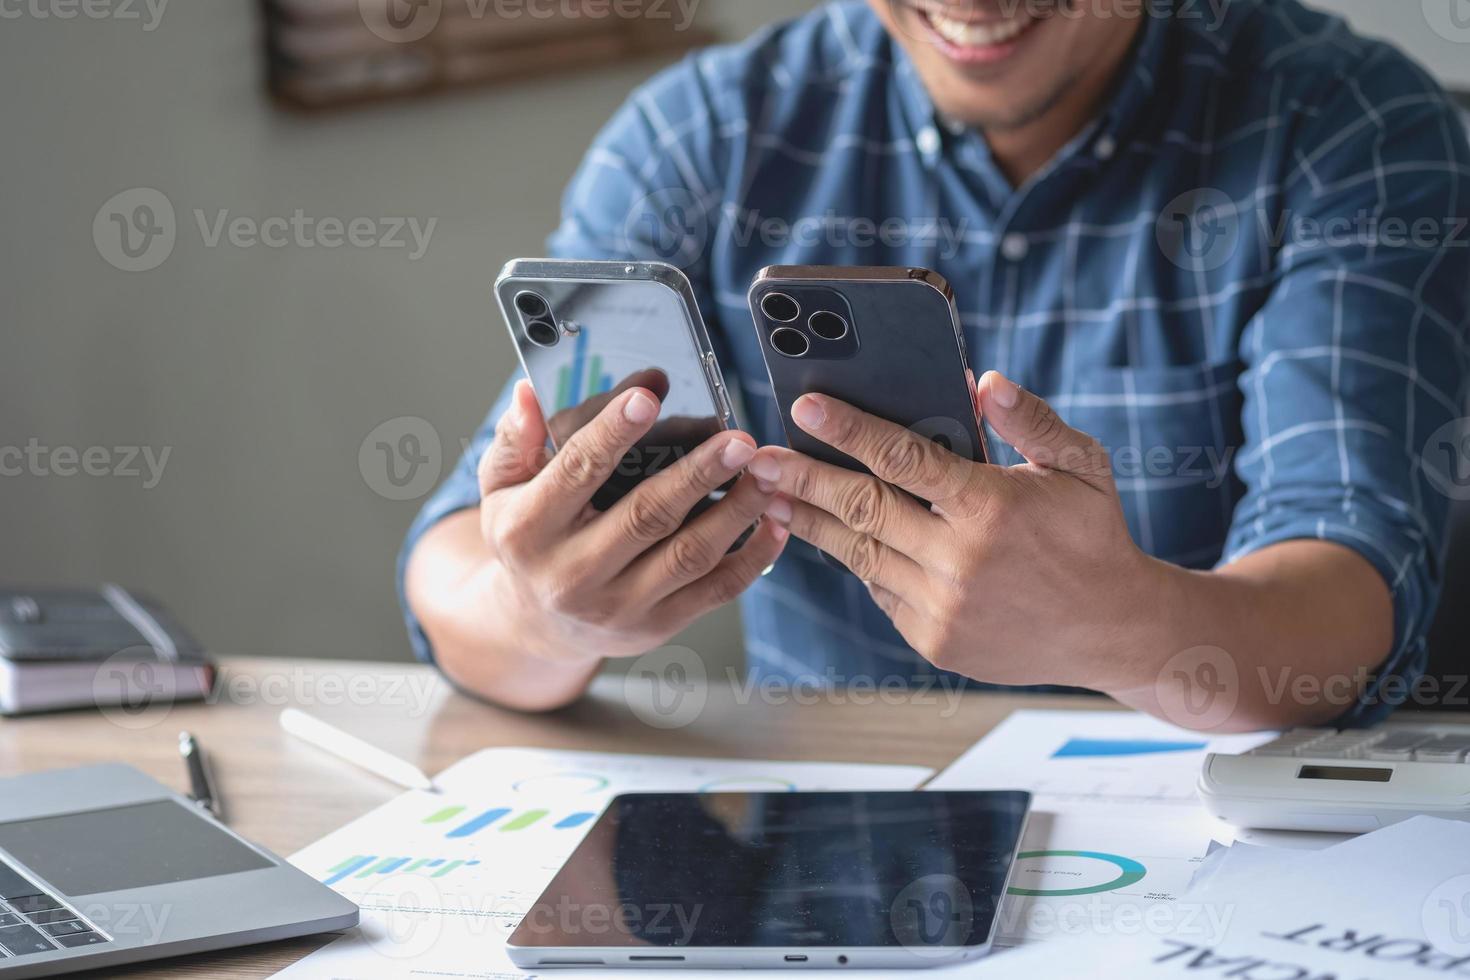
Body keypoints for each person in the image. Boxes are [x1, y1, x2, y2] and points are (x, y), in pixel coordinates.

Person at [399, 0, 1470, 731]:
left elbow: (1351, 594)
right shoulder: (701, 135)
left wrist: (1125, 625)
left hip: (1209, 837)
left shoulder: (1355, 128)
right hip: (824, 844)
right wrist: (545, 615)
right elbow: (455, 560)